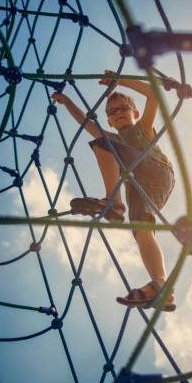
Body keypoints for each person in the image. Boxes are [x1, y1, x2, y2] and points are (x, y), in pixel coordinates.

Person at [51, 70, 176, 311]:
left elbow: (154, 96)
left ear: (135, 113)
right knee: (141, 231)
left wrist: (122, 80)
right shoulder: (111, 136)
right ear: (108, 120)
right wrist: (67, 103)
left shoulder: (142, 128)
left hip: (156, 170)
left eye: (123, 109)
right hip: (140, 185)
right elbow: (87, 123)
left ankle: (114, 203)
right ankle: (160, 283)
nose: (117, 114)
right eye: (112, 112)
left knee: (103, 144)